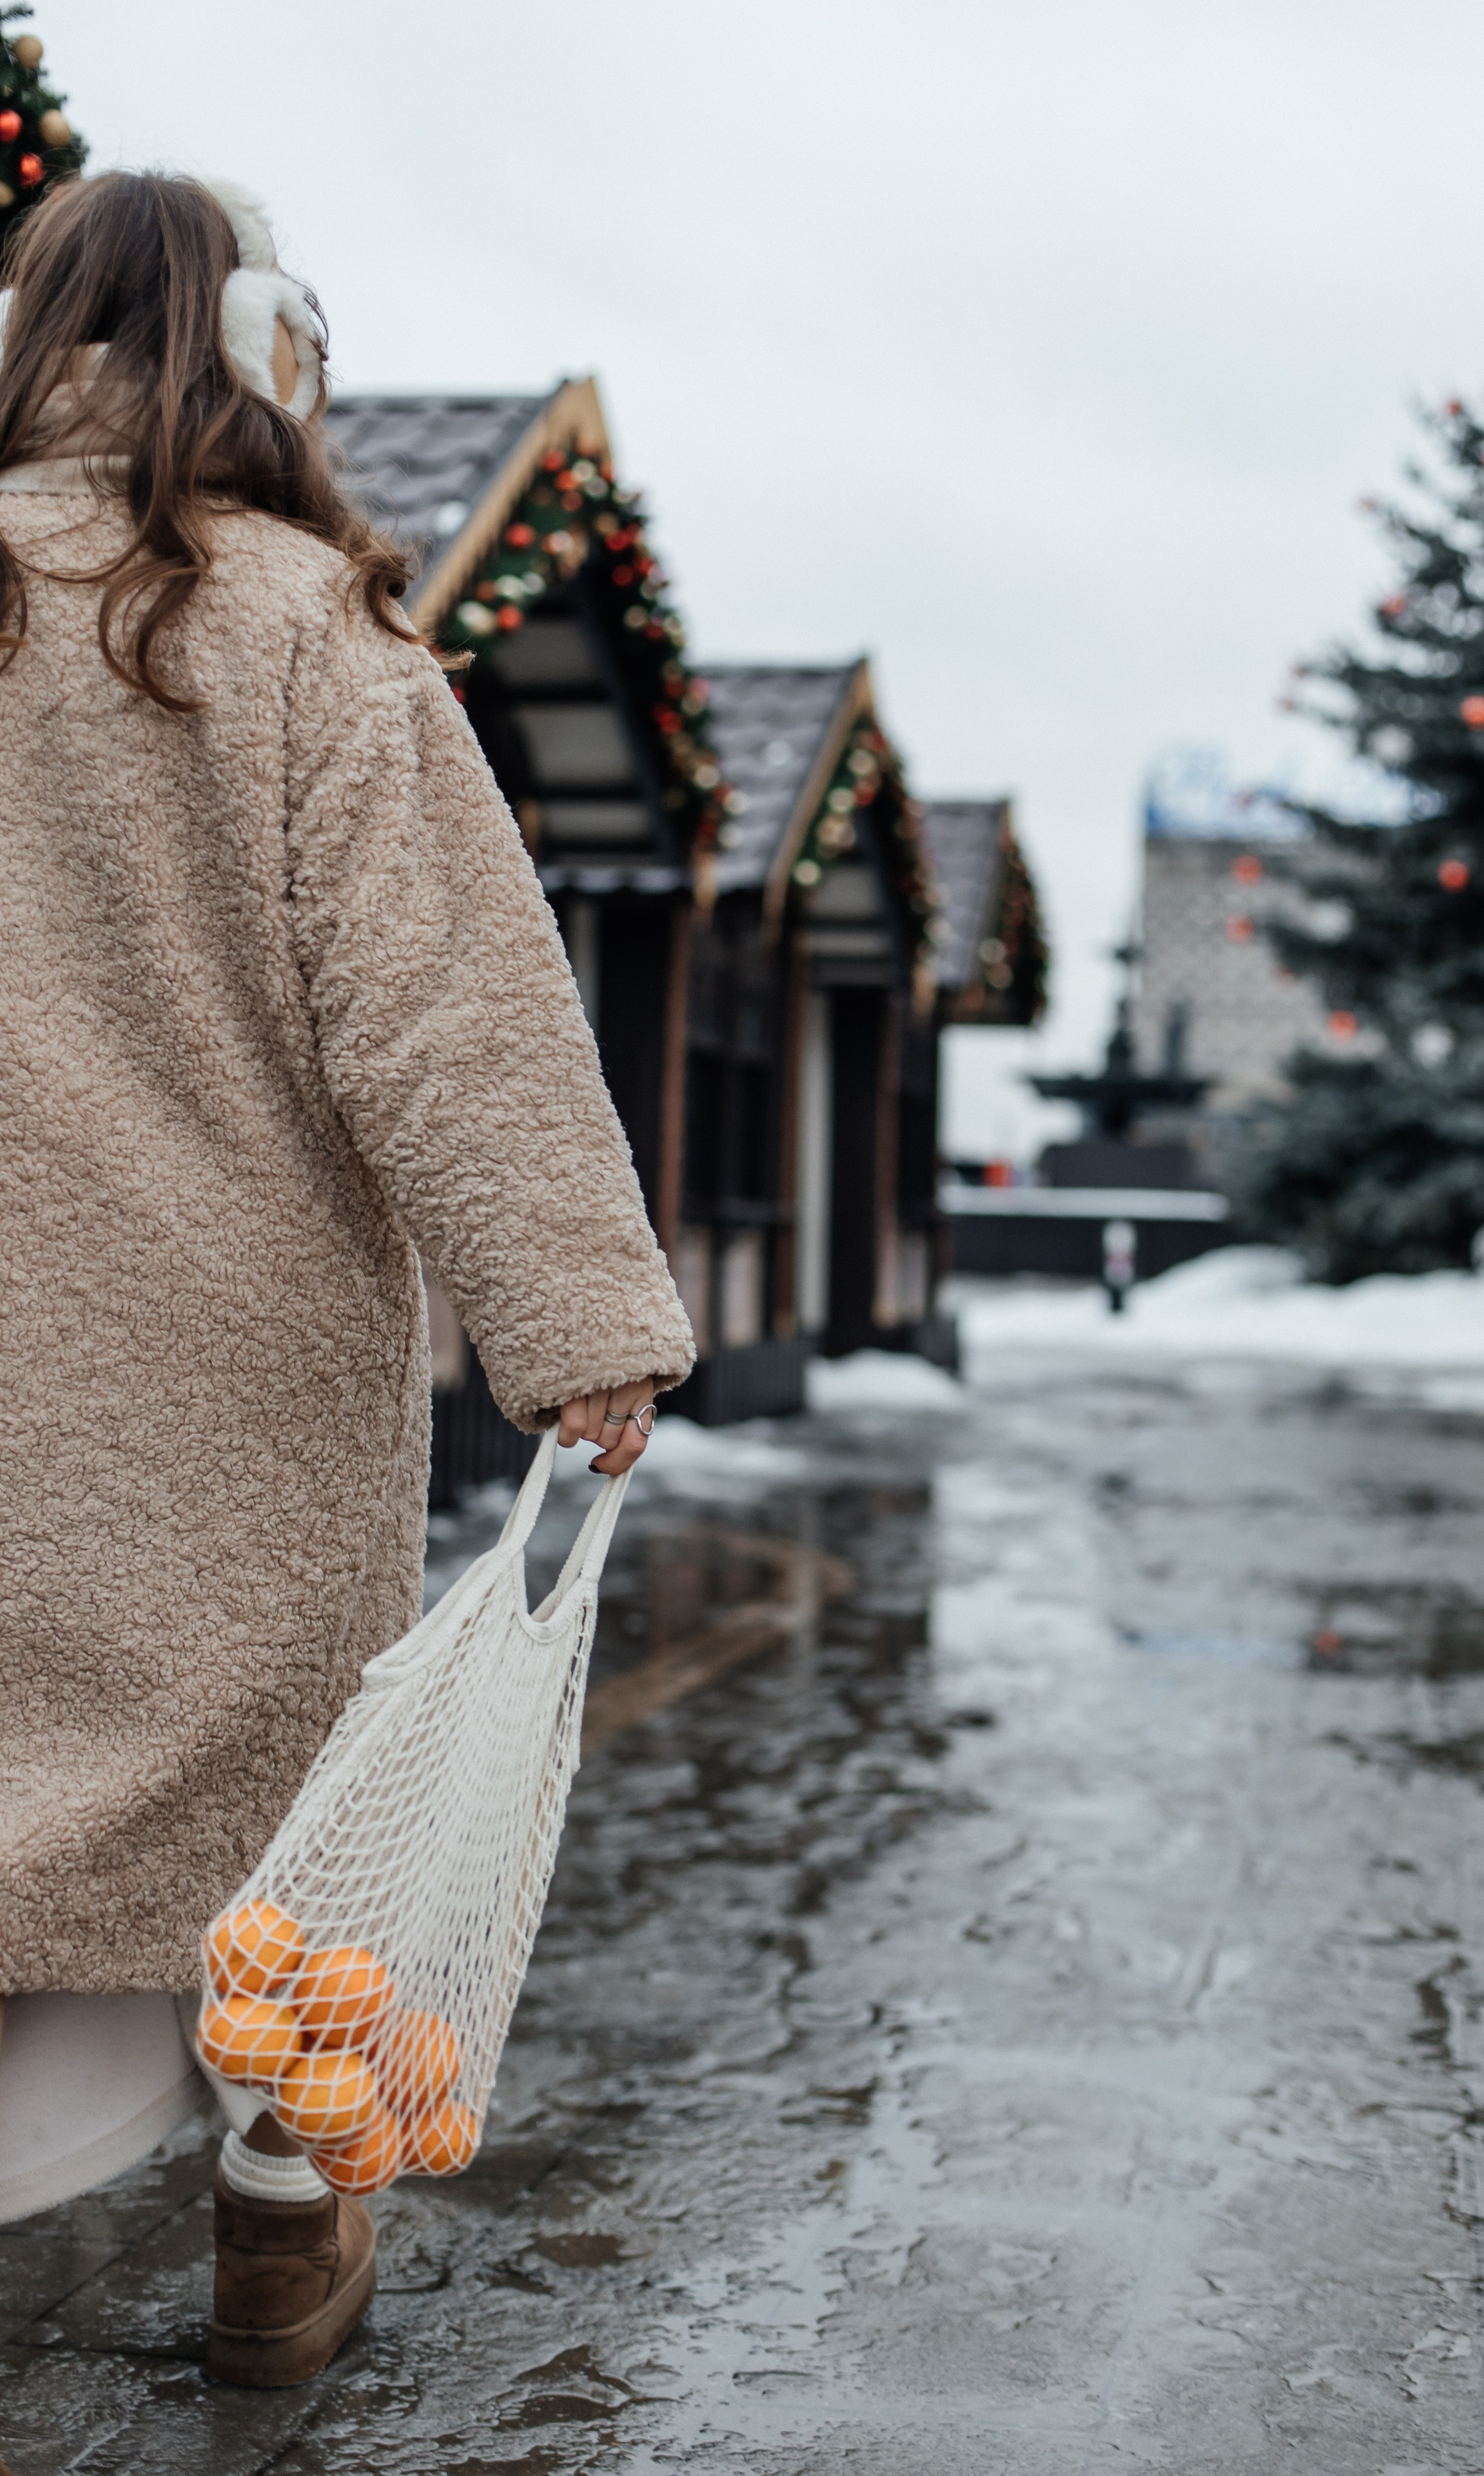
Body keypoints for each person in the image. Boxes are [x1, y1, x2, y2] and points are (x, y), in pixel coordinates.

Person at [0, 170, 694, 2387]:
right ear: (270, 355)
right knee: (278, 1814)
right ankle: (291, 2202)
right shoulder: (308, 637)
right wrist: (576, 1320)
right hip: (222, 1366)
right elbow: (451, 1017)